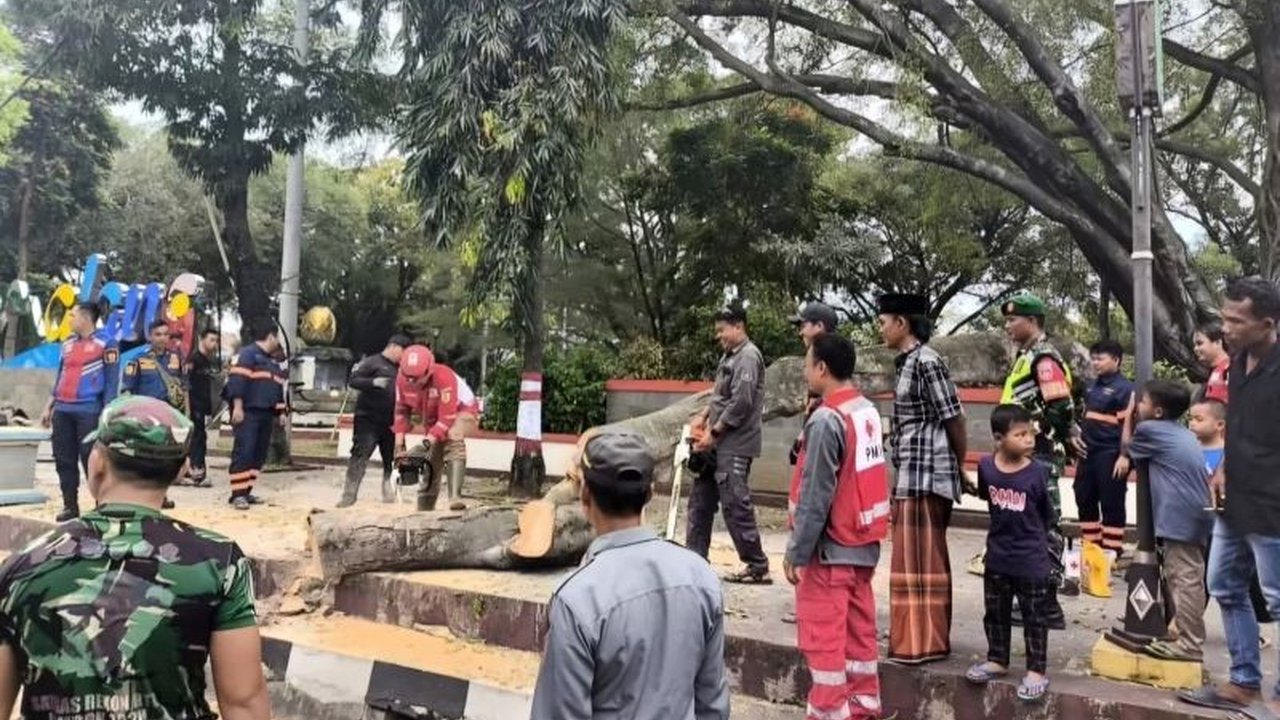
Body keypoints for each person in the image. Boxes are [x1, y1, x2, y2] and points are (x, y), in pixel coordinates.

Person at [0, 396, 270, 720]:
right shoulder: (220, 561)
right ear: (182, 471)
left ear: (97, 463)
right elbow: (244, 702)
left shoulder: (24, 565)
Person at [530, 432, 729, 720]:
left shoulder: (577, 599)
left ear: (585, 496)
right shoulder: (701, 577)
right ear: (650, 493)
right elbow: (713, 705)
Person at [1180, 277, 1280, 717]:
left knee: (1278, 598)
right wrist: (1221, 468)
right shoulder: (1238, 362)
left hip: (1273, 503)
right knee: (1223, 583)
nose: (1226, 328)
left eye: (1235, 320)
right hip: (1235, 499)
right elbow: (1235, 423)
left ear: (1268, 323)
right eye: (1224, 318)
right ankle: (1244, 683)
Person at [785, 332, 889, 720]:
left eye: (807, 363)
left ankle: (829, 713)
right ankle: (864, 710)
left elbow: (815, 496)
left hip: (828, 554)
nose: (804, 370)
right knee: (859, 641)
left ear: (822, 368)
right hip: (862, 547)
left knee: (825, 646)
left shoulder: (827, 419)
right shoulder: (865, 411)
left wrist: (796, 552)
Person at [878, 293, 966, 665]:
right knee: (911, 559)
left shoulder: (927, 361)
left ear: (902, 323)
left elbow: (954, 417)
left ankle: (922, 643)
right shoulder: (908, 362)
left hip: (927, 471)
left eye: (883, 321)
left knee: (920, 559)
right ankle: (912, 638)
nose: (880, 328)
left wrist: (958, 465)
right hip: (912, 472)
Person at [965, 405, 1055, 703]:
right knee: (996, 612)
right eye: (1020, 434)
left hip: (1031, 558)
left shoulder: (1040, 472)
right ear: (998, 438)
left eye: (1030, 433)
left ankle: (1037, 671)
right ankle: (997, 659)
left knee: (1034, 617)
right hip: (998, 556)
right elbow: (989, 501)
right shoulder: (987, 467)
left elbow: (1048, 515)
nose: (1029, 439)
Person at [998, 293, 1077, 626]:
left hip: (1039, 454)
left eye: (1013, 320)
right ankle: (1034, 601)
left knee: (1044, 526)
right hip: (1027, 453)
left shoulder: (1044, 358)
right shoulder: (1027, 355)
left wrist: (1039, 436)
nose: (1008, 326)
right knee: (1029, 525)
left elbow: (1060, 406)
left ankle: (1047, 605)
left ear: (1032, 321)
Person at [1125, 380, 1212, 662]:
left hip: (1181, 514)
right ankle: (1181, 631)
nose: (1139, 406)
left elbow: (1127, 447)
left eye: (1143, 402)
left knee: (1185, 579)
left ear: (1158, 411)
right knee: (1186, 577)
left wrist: (1128, 417)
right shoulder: (1180, 432)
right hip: (1195, 511)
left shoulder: (1151, 429)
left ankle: (1190, 646)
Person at [686, 304, 771, 584]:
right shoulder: (729, 356)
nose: (719, 336)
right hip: (717, 444)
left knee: (735, 503)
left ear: (739, 327)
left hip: (734, 443)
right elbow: (721, 397)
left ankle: (756, 565)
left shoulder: (748, 357)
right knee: (700, 501)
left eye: (722, 330)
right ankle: (694, 559)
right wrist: (703, 416)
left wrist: (715, 433)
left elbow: (741, 403)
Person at [782, 301, 838, 624]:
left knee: (814, 525)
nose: (800, 330)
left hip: (819, 460)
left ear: (818, 326)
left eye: (803, 324)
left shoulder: (827, 362)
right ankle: (808, 601)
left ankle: (815, 605)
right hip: (809, 449)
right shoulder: (816, 363)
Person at [39, 302, 120, 521]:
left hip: (89, 410)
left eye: (73, 315)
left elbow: (112, 383)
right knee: (63, 458)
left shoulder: (107, 344)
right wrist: (49, 406)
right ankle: (70, 505)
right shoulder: (67, 345)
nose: (69, 319)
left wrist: (107, 413)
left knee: (91, 459)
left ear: (85, 318)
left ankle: (101, 505)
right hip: (63, 409)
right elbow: (60, 377)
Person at [393, 344, 480, 511]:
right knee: (431, 458)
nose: (412, 382)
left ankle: (455, 497)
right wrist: (399, 446)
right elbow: (401, 411)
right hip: (432, 417)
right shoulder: (401, 381)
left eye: (417, 378)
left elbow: (447, 418)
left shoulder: (444, 377)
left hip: (461, 410)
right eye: (408, 378)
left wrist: (424, 444)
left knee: (453, 436)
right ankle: (425, 505)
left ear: (429, 370)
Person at [1072, 339, 1134, 558]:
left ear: (1116, 360)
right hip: (1088, 452)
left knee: (1111, 501)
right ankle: (1092, 548)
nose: (1096, 363)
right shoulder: (1090, 385)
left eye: (1101, 358)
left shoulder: (1127, 389)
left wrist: (1125, 456)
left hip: (1111, 453)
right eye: (1094, 358)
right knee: (1083, 496)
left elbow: (1130, 427)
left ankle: (1111, 551)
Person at [338, 334, 410, 508]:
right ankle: (349, 495)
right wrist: (373, 382)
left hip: (391, 421)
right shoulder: (372, 362)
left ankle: (390, 493)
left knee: (393, 460)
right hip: (368, 419)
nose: (404, 357)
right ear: (394, 347)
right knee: (360, 455)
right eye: (403, 352)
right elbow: (353, 380)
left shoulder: (401, 369)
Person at [223, 320, 287, 511]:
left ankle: (246, 491)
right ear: (271, 336)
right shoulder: (248, 354)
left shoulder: (270, 361)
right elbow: (237, 382)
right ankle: (237, 495)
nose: (278, 341)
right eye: (277, 337)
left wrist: (281, 411)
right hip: (249, 412)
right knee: (245, 452)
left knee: (258, 455)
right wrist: (238, 407)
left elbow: (277, 389)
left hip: (266, 414)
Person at [122, 320, 189, 413]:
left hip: (172, 413)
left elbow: (185, 387)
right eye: (158, 335)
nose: (163, 338)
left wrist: (187, 414)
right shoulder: (137, 360)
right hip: (147, 413)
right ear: (150, 337)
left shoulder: (177, 358)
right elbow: (127, 390)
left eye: (166, 334)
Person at [186, 327, 220, 486]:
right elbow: (186, 383)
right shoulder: (194, 359)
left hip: (203, 406)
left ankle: (198, 469)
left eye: (216, 340)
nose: (214, 344)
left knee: (201, 438)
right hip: (194, 406)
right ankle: (196, 470)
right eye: (211, 340)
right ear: (202, 339)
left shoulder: (207, 360)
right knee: (197, 439)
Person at [1194, 322, 1230, 403]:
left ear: (1217, 343)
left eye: (1199, 343)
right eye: (1195, 345)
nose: (1195, 349)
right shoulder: (1212, 373)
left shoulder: (1230, 369)